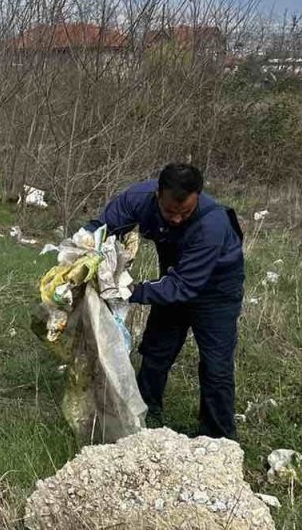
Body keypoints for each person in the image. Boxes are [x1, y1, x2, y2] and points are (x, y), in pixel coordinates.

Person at [84, 163, 244, 438]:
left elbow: (183, 285)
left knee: (215, 366)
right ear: (157, 195)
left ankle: (218, 438)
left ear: (198, 198)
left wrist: (128, 290)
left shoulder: (212, 224)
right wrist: (81, 253)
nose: (177, 219)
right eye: (170, 212)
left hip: (217, 290)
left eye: (186, 213)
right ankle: (145, 416)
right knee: (157, 349)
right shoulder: (138, 198)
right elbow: (99, 230)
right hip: (173, 277)